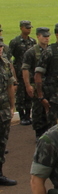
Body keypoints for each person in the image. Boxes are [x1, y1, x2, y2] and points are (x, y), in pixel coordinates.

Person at [8, 20, 35, 126]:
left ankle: (28, 115)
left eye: (29, 28)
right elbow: (10, 57)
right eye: (26, 28)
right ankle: (22, 116)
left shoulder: (32, 41)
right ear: (21, 28)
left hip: (30, 72)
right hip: (19, 72)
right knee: (20, 95)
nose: (28, 30)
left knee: (29, 94)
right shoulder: (15, 42)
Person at [0, 39, 17, 185]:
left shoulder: (4, 64)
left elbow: (10, 86)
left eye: (0, 46)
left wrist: (12, 106)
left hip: (3, 110)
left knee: (2, 142)